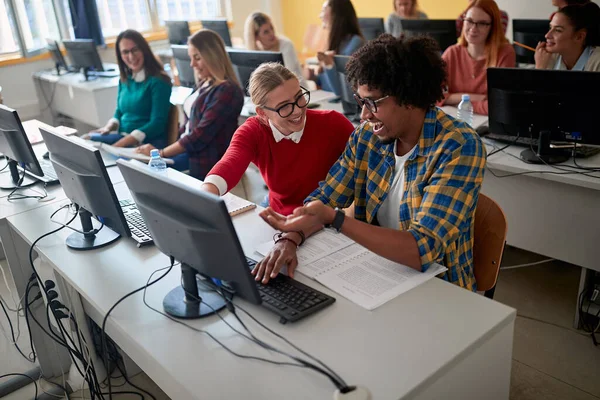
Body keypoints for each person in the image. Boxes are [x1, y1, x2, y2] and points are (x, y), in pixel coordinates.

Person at [253, 35, 486, 292]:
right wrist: (290, 238)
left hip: (440, 288)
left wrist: (336, 220)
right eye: (361, 101)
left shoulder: (459, 146)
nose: (364, 114)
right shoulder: (368, 136)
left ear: (407, 96)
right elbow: (326, 197)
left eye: (372, 102)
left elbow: (423, 249)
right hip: (376, 274)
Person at [201, 62, 354, 216]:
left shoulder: (333, 123)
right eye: (284, 106)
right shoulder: (253, 131)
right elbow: (231, 162)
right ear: (262, 113)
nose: (297, 110)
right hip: (280, 214)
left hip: (326, 215)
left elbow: (366, 166)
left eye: (299, 97)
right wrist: (207, 193)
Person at [136, 29, 244, 180]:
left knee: (148, 173)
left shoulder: (228, 90)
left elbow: (199, 135)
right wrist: (162, 152)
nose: (192, 64)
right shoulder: (204, 83)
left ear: (212, 56)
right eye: (191, 58)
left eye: (197, 58)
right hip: (189, 154)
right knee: (138, 163)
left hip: (204, 161)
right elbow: (188, 128)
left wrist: (161, 153)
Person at [87, 30, 171, 148]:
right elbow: (120, 112)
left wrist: (120, 145)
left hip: (147, 143)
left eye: (135, 50)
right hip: (124, 138)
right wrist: (108, 127)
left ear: (144, 50)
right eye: (125, 52)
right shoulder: (125, 80)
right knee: (86, 140)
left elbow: (157, 124)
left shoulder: (159, 81)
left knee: (100, 153)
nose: (131, 56)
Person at [440, 0, 516, 115]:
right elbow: (433, 96)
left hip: (488, 125)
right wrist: (475, 97)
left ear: (492, 27)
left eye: (482, 23)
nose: (473, 28)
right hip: (456, 121)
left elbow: (500, 105)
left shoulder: (505, 53)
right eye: (469, 21)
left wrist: (458, 103)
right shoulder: (452, 53)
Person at [312, 0, 364, 95]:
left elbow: (342, 92)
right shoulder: (331, 42)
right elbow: (324, 85)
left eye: (323, 10)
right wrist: (313, 76)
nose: (320, 16)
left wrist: (329, 65)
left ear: (335, 14)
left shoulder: (355, 43)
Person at [244, 12, 305, 86]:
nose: (272, 33)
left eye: (271, 28)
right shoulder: (256, 51)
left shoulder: (286, 45)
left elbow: (288, 77)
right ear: (256, 37)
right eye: (266, 32)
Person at [535, 2, 600, 71]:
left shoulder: (597, 63)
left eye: (558, 30)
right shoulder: (547, 58)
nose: (547, 35)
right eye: (550, 28)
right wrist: (540, 67)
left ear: (579, 36)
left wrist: (540, 69)